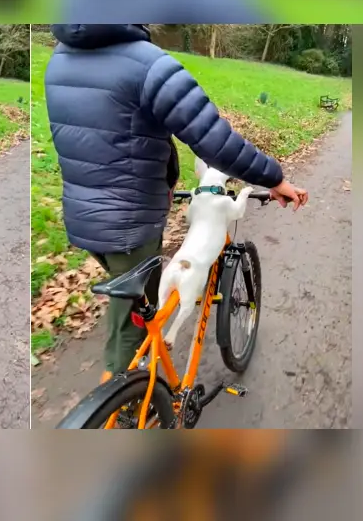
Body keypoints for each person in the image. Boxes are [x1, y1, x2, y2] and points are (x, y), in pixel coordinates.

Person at [44, 24, 307, 379]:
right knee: (132, 329)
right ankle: (126, 403)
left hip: (81, 215)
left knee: (139, 304)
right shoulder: (147, 65)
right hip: (129, 226)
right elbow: (215, 141)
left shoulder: (59, 59)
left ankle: (131, 387)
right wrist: (274, 178)